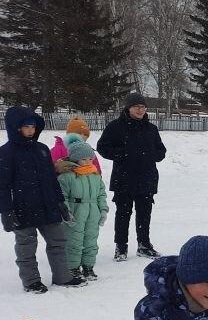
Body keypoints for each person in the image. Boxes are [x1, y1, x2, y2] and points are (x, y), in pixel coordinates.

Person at [0, 106, 85, 292]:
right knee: (26, 247)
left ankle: (62, 277)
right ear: (16, 128)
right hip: (23, 208)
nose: (31, 130)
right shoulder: (6, 153)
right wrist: (5, 211)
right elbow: (3, 186)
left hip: (48, 206)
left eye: (33, 126)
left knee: (58, 242)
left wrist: (60, 202)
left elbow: (51, 180)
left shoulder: (42, 149)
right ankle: (31, 281)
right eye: (26, 127)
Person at [96, 93, 166, 262]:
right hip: (124, 178)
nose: (140, 110)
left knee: (144, 214)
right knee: (123, 214)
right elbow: (102, 147)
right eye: (137, 107)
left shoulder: (151, 129)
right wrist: (122, 154)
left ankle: (144, 245)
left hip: (146, 178)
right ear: (128, 108)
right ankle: (121, 247)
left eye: (143, 107)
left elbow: (161, 151)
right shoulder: (115, 127)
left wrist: (151, 155)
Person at [57, 134, 109, 281]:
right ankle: (73, 268)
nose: (87, 162)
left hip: (93, 212)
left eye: (90, 159)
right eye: (84, 159)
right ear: (75, 159)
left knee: (91, 240)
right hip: (76, 211)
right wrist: (67, 213)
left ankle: (88, 266)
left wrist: (103, 210)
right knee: (74, 240)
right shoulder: (66, 176)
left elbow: (101, 194)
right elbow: (63, 197)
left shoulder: (95, 175)